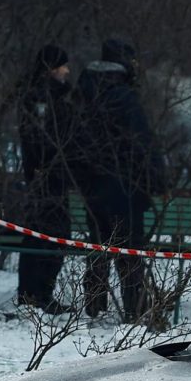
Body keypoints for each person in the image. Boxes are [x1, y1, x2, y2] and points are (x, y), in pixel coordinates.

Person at [72, 37, 165, 323]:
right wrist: (156, 178)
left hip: (92, 185)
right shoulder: (124, 97)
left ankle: (95, 305)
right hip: (125, 186)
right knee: (129, 249)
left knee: (98, 245)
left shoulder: (83, 94)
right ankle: (133, 308)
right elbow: (141, 142)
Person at [13, 44, 80, 310]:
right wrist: (48, 164)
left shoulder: (50, 97)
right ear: (52, 68)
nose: (67, 71)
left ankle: (36, 294)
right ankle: (38, 295)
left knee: (43, 235)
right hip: (47, 178)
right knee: (48, 235)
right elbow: (39, 141)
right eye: (62, 66)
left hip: (49, 176)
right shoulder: (42, 99)